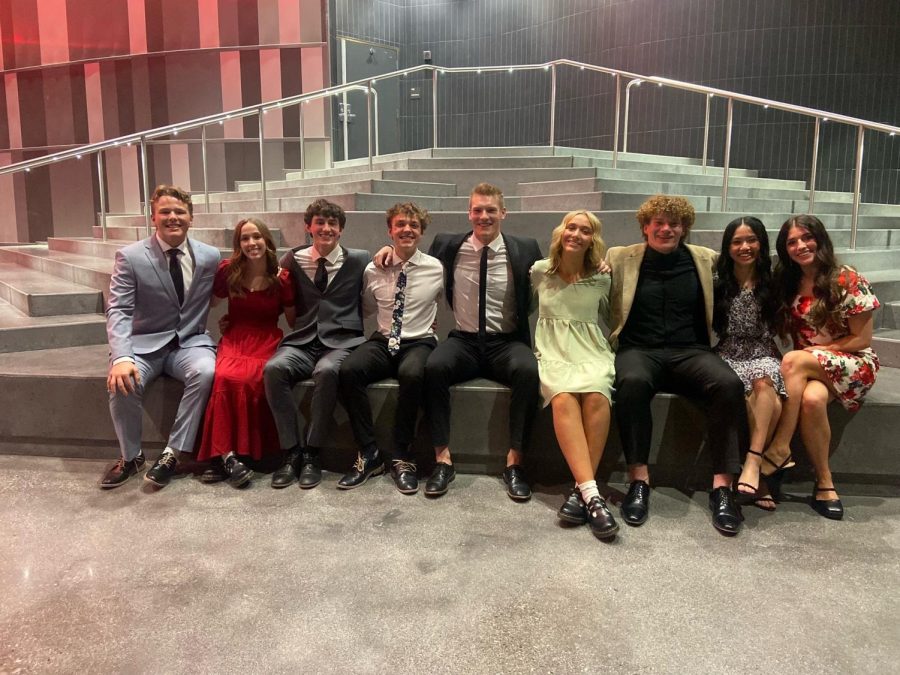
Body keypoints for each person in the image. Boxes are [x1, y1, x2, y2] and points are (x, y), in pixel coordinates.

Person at [377, 183, 542, 499]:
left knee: (528, 372)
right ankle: (443, 459)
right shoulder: (448, 245)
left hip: (505, 342)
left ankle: (515, 463)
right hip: (464, 341)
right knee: (434, 366)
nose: (484, 216)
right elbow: (414, 259)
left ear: (503, 213)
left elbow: (552, 274)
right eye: (477, 210)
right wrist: (388, 249)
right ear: (469, 213)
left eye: (490, 210)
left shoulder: (525, 247)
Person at [607, 195, 748, 535]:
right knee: (632, 382)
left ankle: (722, 487)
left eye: (674, 223)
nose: (666, 229)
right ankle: (638, 480)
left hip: (691, 351)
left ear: (685, 228)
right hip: (639, 349)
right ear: (645, 227)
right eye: (658, 222)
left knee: (728, 384)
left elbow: (747, 266)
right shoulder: (619, 257)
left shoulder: (705, 259)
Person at [101, 185, 219, 489]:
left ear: (191, 217)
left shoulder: (209, 256)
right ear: (153, 217)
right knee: (123, 382)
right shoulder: (130, 257)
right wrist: (122, 356)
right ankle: (132, 457)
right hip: (143, 345)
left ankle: (173, 452)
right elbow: (119, 310)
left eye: (180, 212)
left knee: (206, 371)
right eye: (165, 211)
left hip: (190, 343)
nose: (173, 217)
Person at [763, 215, 880, 520]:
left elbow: (861, 339)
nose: (800, 245)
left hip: (852, 363)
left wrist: (819, 351)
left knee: (792, 360)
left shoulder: (846, 278)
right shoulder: (789, 282)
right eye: (792, 242)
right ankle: (825, 483)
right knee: (812, 400)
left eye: (807, 238)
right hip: (809, 366)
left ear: (820, 239)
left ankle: (779, 448)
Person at [337, 203, 444, 493]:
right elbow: (369, 307)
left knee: (412, 375)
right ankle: (369, 453)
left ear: (421, 232)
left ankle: (402, 455)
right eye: (400, 225)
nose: (407, 230)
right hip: (384, 339)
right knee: (349, 370)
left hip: (419, 340)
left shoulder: (436, 268)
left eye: (413, 225)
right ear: (390, 230)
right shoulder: (374, 268)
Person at [264, 199, 369, 489]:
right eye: (319, 222)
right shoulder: (292, 259)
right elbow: (270, 292)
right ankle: (291, 451)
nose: (326, 228)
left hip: (342, 341)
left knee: (327, 372)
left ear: (341, 230)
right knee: (274, 368)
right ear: (308, 227)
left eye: (332, 223)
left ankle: (312, 453)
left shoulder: (359, 259)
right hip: (302, 340)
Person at [531, 210, 619, 539]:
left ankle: (583, 493)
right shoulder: (540, 271)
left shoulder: (601, 276)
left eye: (585, 230)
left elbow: (613, 315)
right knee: (562, 396)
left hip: (590, 350)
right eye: (572, 227)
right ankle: (593, 496)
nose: (577, 234)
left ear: (592, 239)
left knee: (597, 392)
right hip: (553, 351)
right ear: (561, 232)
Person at [196, 218, 296, 487]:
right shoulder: (229, 271)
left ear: (267, 240)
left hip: (265, 338)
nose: (251, 243)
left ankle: (227, 456)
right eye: (245, 238)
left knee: (251, 379)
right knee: (223, 377)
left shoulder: (282, 277)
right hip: (235, 336)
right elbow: (211, 301)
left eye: (256, 237)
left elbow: (294, 320)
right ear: (238, 244)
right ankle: (228, 455)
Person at [713, 217, 785, 511]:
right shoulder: (719, 284)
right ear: (728, 247)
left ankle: (753, 461)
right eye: (737, 241)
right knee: (768, 405)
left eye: (751, 240)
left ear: (761, 243)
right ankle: (762, 478)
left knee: (763, 381)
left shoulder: (775, 281)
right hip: (728, 352)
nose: (745, 247)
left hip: (762, 350)